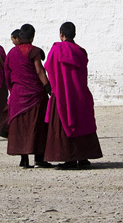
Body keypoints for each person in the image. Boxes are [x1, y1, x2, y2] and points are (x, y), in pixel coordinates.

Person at [43, 22, 103, 170]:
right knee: (83, 123)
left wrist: (54, 86)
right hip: (80, 92)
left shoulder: (57, 49)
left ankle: (69, 159)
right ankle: (83, 157)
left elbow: (49, 67)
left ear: (61, 34)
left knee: (63, 125)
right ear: (74, 34)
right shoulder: (81, 51)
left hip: (62, 93)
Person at [6, 23, 51, 168]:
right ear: (32, 37)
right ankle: (39, 159)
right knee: (37, 125)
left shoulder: (12, 53)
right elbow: (39, 71)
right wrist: (48, 87)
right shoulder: (33, 51)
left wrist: (12, 90)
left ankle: (23, 159)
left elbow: (7, 73)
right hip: (35, 95)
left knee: (20, 126)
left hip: (18, 94)